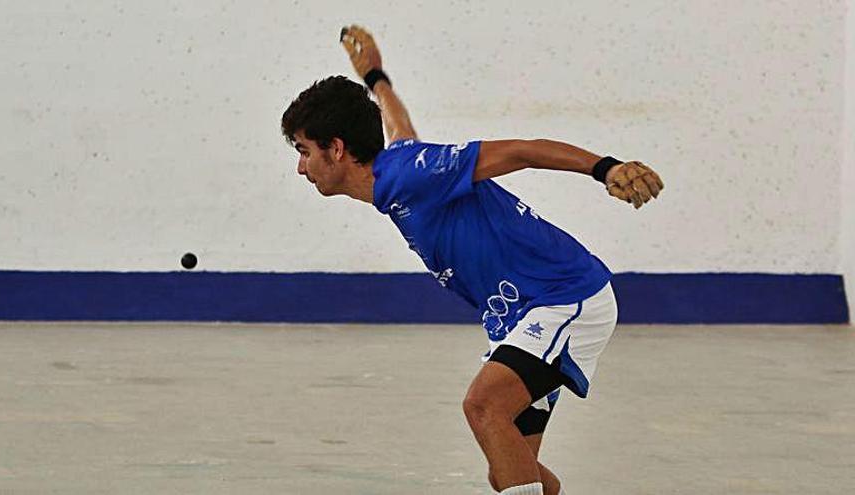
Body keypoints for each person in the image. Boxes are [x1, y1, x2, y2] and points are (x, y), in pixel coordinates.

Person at [281, 25, 664, 495]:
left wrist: (606, 169)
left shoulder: (410, 174)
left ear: (336, 149)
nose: (301, 166)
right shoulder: (397, 170)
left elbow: (522, 152)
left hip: (565, 299)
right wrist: (375, 77)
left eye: (303, 151)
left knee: (484, 406)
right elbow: (400, 130)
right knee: (512, 465)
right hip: (521, 316)